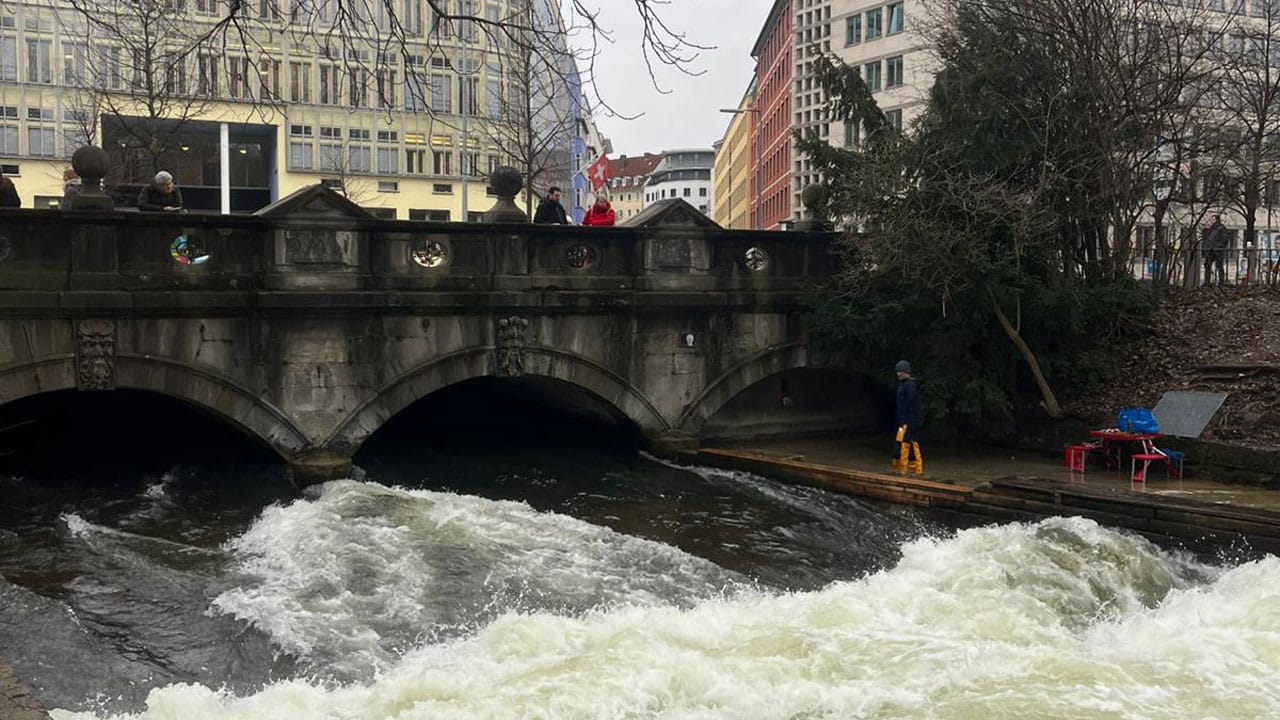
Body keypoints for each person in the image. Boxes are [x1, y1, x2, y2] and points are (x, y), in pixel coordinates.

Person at [892, 360, 924, 476]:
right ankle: (900, 469)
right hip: (902, 421)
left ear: (906, 372)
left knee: (909, 444)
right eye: (897, 371)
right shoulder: (902, 385)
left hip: (910, 422)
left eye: (900, 371)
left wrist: (912, 422)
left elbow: (914, 405)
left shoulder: (911, 386)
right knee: (899, 444)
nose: (898, 374)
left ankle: (915, 471)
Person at [1203, 215, 1228, 287]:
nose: (1210, 221)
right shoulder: (1212, 229)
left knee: (1219, 266)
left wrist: (1218, 246)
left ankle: (1221, 282)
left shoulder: (1221, 228)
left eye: (1212, 219)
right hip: (1211, 250)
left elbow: (1224, 240)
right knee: (1207, 265)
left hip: (1218, 251)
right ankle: (1207, 282)